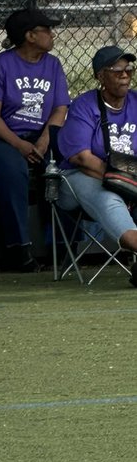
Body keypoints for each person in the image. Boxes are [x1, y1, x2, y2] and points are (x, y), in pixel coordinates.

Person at [0, 8, 70, 271]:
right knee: (13, 170)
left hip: (41, 137)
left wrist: (43, 141)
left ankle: (64, 246)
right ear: (30, 36)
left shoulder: (53, 65)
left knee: (62, 169)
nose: (52, 34)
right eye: (46, 30)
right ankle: (19, 249)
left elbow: (60, 108)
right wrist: (19, 145)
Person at [56, 44, 137, 287]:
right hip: (78, 177)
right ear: (100, 76)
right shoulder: (85, 105)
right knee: (108, 196)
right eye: (117, 70)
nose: (125, 75)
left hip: (128, 174)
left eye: (129, 69)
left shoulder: (135, 102)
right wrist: (124, 181)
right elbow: (80, 157)